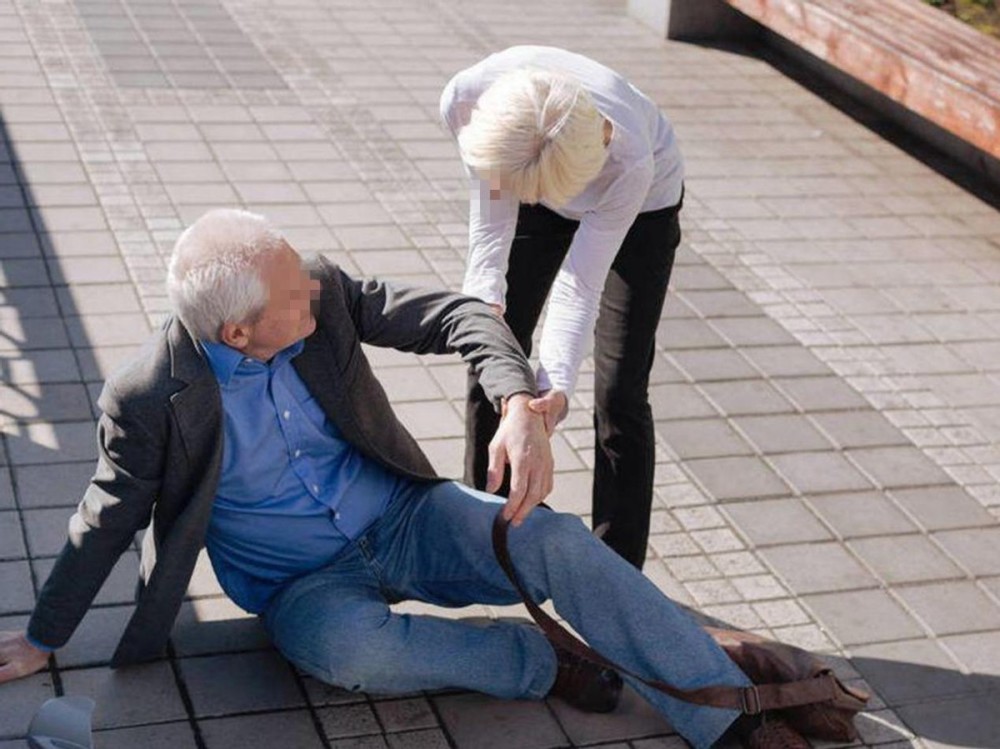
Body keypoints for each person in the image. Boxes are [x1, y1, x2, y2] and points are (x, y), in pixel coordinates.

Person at [0, 210, 804, 749]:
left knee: (549, 536)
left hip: (407, 515)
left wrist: (518, 401)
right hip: (299, 582)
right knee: (349, 652)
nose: (314, 292)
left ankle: (727, 712)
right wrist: (43, 639)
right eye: (294, 296)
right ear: (238, 330)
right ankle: (545, 661)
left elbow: (462, 313)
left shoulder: (319, 289)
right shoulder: (148, 396)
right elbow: (103, 515)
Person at [442, 46, 685, 569]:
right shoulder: (467, 100)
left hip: (640, 209)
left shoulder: (631, 160)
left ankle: (615, 568)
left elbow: (580, 287)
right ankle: (490, 530)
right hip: (530, 163)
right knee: (494, 351)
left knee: (620, 391)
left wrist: (553, 392)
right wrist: (492, 336)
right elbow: (488, 248)